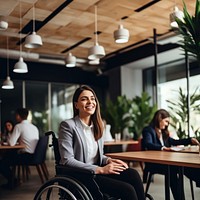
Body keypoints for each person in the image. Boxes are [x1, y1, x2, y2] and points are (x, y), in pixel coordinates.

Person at [58, 85, 145, 200]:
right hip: (82, 175)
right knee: (127, 190)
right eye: (84, 99)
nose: (90, 102)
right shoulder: (68, 126)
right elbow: (67, 160)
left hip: (98, 171)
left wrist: (108, 160)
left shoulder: (98, 126)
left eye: (92, 98)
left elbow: (97, 156)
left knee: (133, 174)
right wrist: (100, 169)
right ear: (76, 105)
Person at [142, 108, 199, 200]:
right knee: (172, 168)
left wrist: (189, 140)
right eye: (166, 121)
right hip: (154, 163)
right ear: (159, 119)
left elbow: (174, 142)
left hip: (165, 161)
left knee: (184, 166)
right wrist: (163, 148)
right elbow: (147, 144)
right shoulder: (148, 130)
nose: (167, 124)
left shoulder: (163, 133)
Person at [0, 108, 39, 189]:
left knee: (2, 162)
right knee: (7, 156)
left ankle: (12, 181)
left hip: (26, 156)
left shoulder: (18, 126)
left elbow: (11, 143)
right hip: (35, 155)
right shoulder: (34, 127)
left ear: (18, 116)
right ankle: (13, 180)